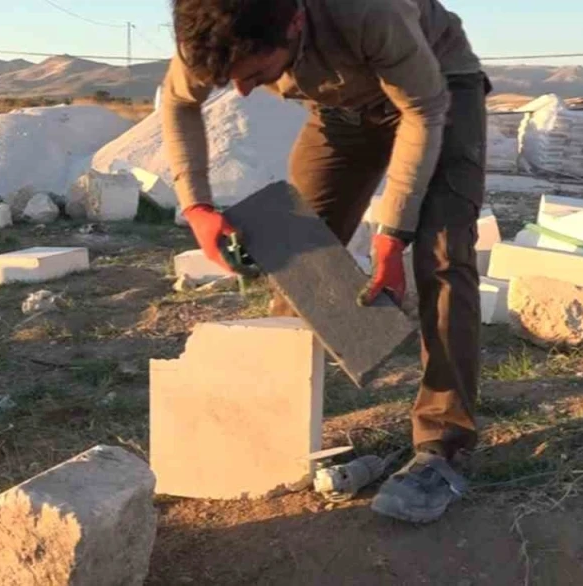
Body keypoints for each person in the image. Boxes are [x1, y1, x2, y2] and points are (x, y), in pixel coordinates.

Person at [162, 0, 488, 524]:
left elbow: (423, 113)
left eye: (256, 74)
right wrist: (197, 207)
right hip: (340, 108)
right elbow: (178, 103)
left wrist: (391, 238)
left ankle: (442, 444)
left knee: (442, 254)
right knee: (292, 247)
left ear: (293, 21)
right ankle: (278, 422)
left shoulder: (368, 12)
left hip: (437, 91)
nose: (241, 91)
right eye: (228, 80)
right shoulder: (216, 25)